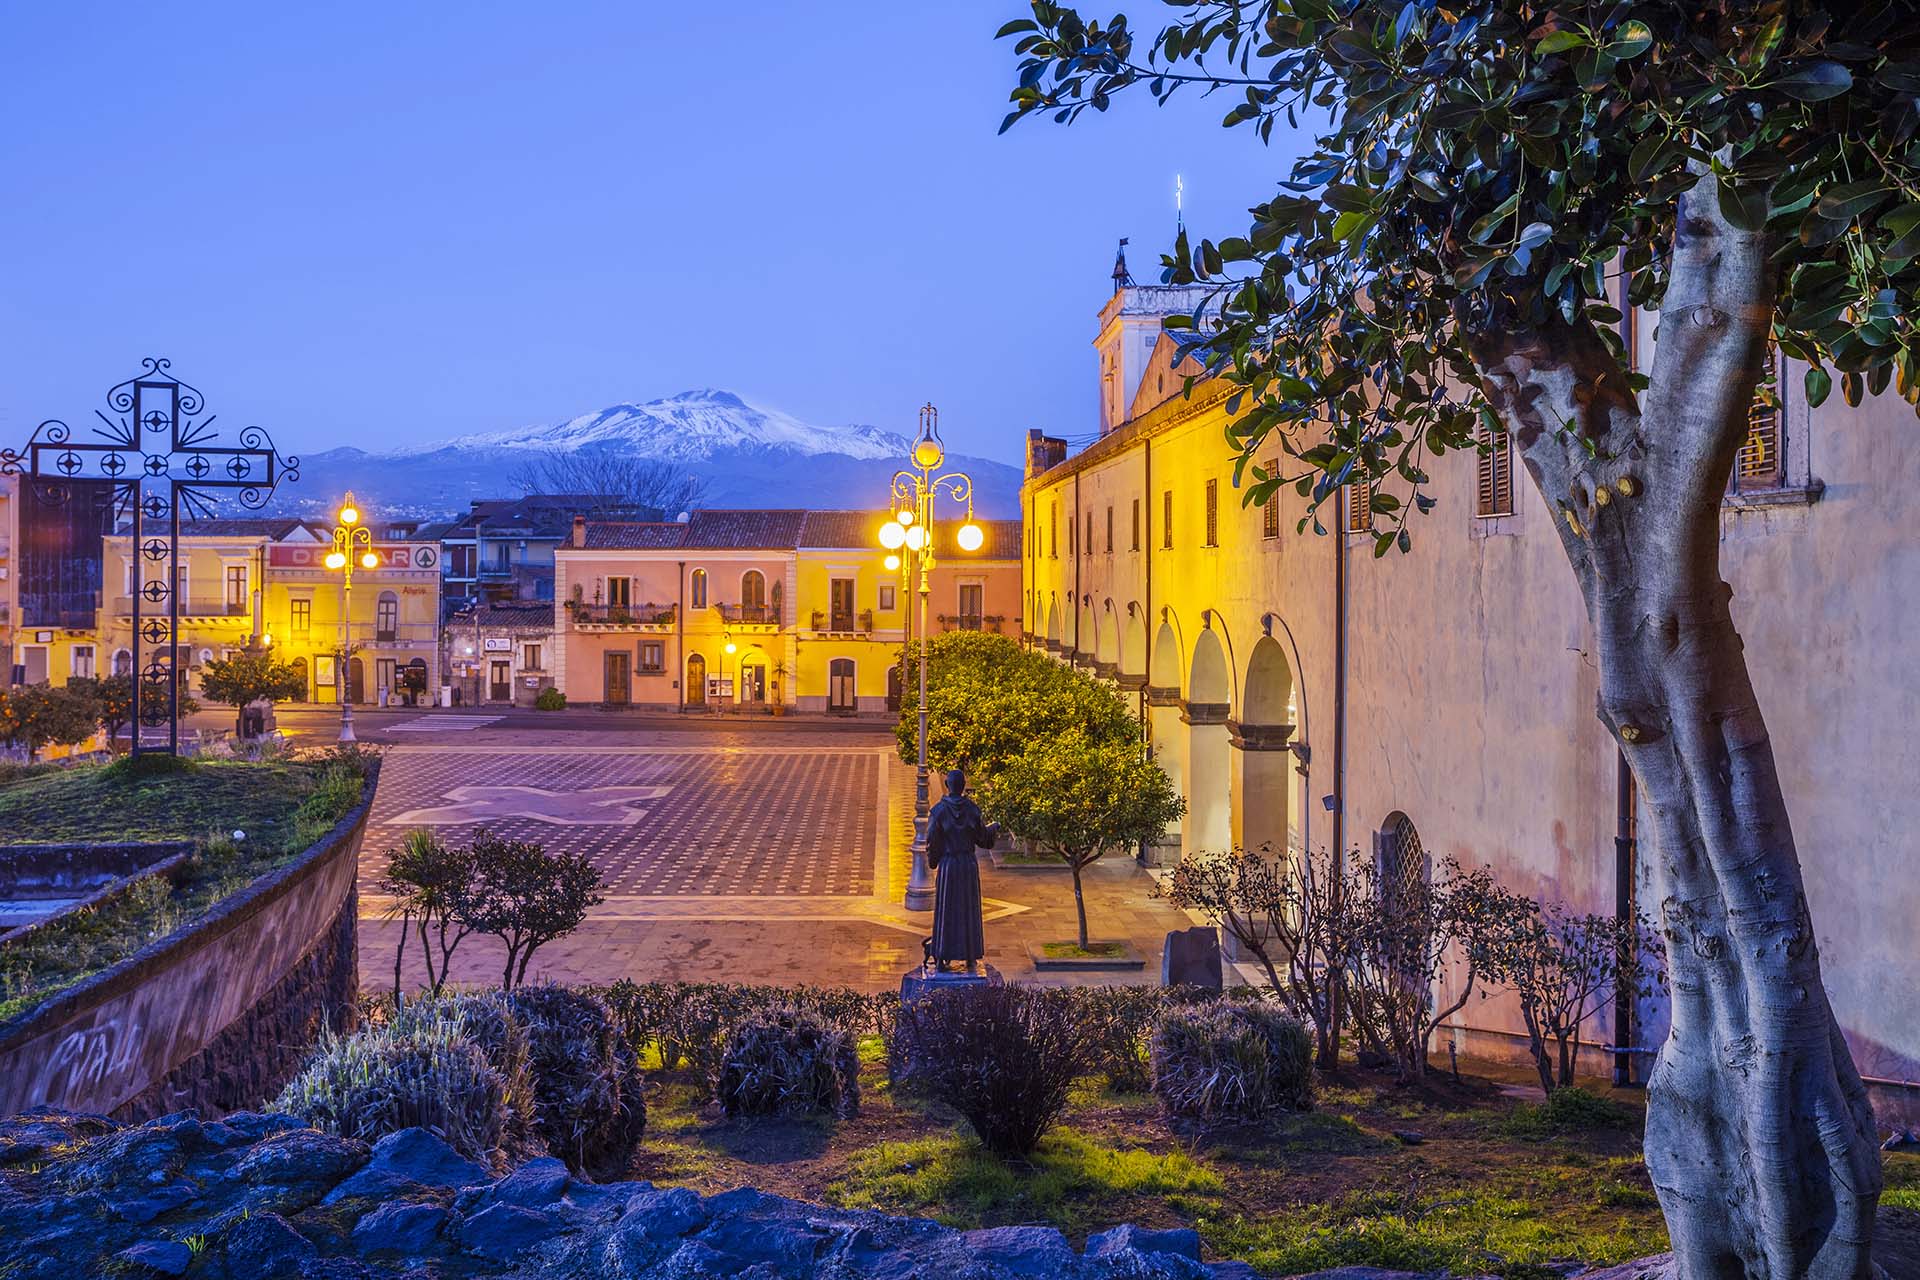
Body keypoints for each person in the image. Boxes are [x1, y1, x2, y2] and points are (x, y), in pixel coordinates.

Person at [926, 768, 998, 973]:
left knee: (946, 910)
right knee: (967, 910)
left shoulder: (938, 811)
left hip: (949, 866)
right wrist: (995, 827)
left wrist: (933, 861)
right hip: (967, 865)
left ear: (948, 786)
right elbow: (983, 837)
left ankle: (941, 957)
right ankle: (970, 957)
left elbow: (932, 839)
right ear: (963, 786)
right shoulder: (972, 810)